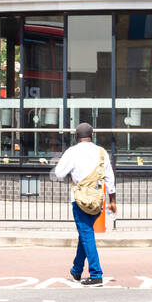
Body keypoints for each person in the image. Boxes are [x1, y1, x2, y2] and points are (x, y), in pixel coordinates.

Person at [51, 122, 116, 286]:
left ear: (76, 137)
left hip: (79, 199)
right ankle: (76, 270)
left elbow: (59, 173)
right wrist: (113, 201)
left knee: (86, 234)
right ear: (92, 136)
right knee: (85, 234)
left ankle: (96, 274)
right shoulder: (101, 152)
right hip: (97, 199)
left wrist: (72, 173)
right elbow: (110, 177)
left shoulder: (72, 152)